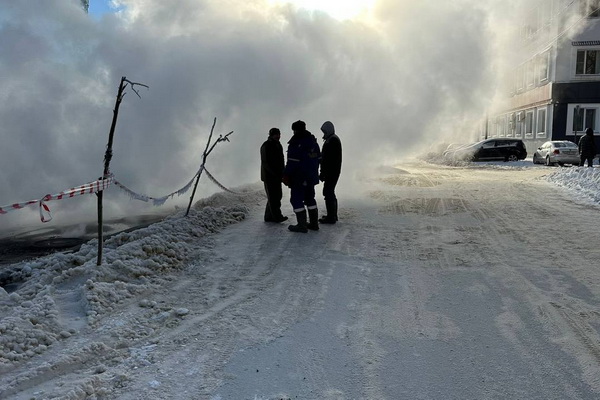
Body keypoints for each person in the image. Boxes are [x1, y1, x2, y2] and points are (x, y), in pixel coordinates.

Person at [282, 120, 321, 233]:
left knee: (296, 199)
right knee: (310, 199)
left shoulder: (296, 143)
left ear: (296, 130)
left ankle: (302, 225)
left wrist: (286, 175)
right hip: (311, 177)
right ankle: (314, 224)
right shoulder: (313, 142)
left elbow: (292, 162)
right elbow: (319, 159)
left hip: (299, 177)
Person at [260, 127, 288, 223]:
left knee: (277, 196)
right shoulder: (266, 145)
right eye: (276, 134)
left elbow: (281, 160)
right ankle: (277, 217)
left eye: (279, 134)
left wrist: (283, 172)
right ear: (271, 135)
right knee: (273, 197)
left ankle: (268, 216)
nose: (278, 136)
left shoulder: (278, 145)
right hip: (269, 177)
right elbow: (265, 163)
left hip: (277, 176)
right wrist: (274, 174)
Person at [318, 121, 342, 224]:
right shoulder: (332, 139)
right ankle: (332, 215)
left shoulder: (332, 141)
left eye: (324, 131)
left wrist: (324, 172)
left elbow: (328, 159)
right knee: (330, 192)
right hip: (333, 171)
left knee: (328, 192)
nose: (323, 133)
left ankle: (331, 217)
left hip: (331, 172)